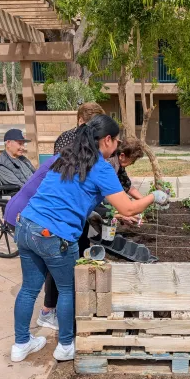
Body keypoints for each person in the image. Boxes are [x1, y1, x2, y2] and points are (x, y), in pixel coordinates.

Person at [11, 115, 169, 364]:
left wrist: (107, 213)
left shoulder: (67, 156)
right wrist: (154, 197)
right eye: (116, 142)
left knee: (29, 288)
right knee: (67, 289)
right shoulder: (101, 166)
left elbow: (73, 196)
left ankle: (20, 344)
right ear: (107, 140)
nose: (117, 148)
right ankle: (65, 346)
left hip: (26, 225)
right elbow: (129, 208)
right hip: (54, 235)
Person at [38, 137, 146, 331]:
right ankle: (54, 316)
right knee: (62, 276)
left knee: (68, 266)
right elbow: (97, 197)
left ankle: (56, 311)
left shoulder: (102, 162)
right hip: (58, 222)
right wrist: (124, 211)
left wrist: (122, 210)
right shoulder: (103, 164)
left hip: (57, 219)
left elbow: (122, 188)